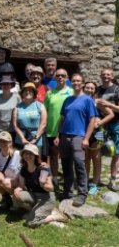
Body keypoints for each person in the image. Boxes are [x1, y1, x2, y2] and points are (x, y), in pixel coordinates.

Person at [54, 73, 97, 206]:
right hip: (65, 136)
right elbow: (62, 119)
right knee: (66, 165)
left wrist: (86, 139)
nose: (76, 83)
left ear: (83, 83)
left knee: (79, 165)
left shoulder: (87, 100)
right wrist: (57, 135)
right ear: (70, 83)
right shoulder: (67, 100)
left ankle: (82, 194)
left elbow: (92, 120)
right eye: (73, 81)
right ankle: (68, 192)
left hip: (79, 137)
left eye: (78, 81)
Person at [12, 144, 64, 228]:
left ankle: (54, 216)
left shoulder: (43, 169)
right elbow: (21, 185)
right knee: (15, 197)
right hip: (34, 195)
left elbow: (51, 188)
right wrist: (17, 189)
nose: (27, 156)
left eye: (30, 154)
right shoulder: (24, 168)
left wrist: (43, 185)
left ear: (36, 156)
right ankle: (33, 211)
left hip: (46, 198)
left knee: (30, 223)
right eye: (25, 153)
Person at [84, 81, 113, 195]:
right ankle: (85, 181)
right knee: (85, 159)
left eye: (92, 88)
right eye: (87, 88)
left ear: (95, 91)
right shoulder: (81, 100)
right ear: (84, 88)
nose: (89, 90)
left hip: (97, 133)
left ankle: (95, 184)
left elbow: (111, 114)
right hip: (85, 132)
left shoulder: (97, 102)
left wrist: (100, 122)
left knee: (96, 159)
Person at [43, 68, 72, 185]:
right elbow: (45, 110)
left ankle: (67, 179)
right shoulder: (49, 93)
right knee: (54, 156)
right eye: (58, 76)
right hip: (52, 129)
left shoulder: (72, 92)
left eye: (63, 75)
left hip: (68, 130)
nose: (60, 77)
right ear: (54, 78)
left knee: (67, 157)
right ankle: (54, 178)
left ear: (67, 78)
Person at [95, 68, 119, 191]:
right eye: (103, 74)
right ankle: (97, 179)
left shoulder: (116, 89)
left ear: (112, 76)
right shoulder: (97, 89)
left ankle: (113, 180)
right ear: (100, 75)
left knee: (116, 154)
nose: (105, 76)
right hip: (100, 124)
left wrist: (108, 105)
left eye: (108, 74)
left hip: (115, 124)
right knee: (97, 152)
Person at [12, 83, 47, 156]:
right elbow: (15, 125)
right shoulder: (17, 107)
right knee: (21, 162)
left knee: (36, 161)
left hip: (36, 139)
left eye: (30, 91)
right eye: (25, 90)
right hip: (21, 139)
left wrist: (35, 139)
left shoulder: (40, 106)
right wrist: (22, 139)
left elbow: (43, 124)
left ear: (34, 93)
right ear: (22, 93)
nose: (28, 92)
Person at [0, 131, 21, 210]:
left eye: (5, 141)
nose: (2, 143)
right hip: (7, 182)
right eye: (0, 141)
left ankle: (17, 201)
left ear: (10, 142)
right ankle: (6, 198)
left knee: (6, 182)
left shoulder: (18, 154)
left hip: (19, 182)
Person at [0, 76, 21, 144]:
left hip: (13, 130)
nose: (6, 85)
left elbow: (21, 113)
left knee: (12, 152)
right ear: (1, 85)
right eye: (4, 84)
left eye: (8, 84)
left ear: (11, 85)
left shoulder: (17, 97)